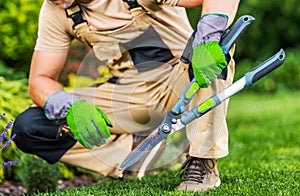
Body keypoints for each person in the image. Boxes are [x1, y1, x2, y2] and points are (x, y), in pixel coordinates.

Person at [12, 0, 240, 192]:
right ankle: (134, 157)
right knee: (29, 127)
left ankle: (202, 162)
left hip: (184, 78)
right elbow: (39, 80)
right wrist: (71, 107)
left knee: (214, 47)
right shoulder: (56, 11)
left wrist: (207, 38)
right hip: (129, 96)